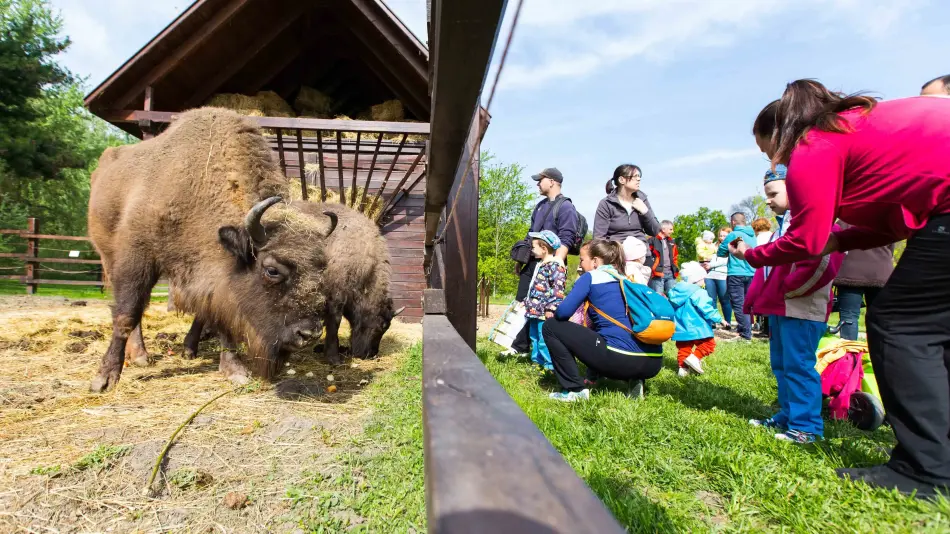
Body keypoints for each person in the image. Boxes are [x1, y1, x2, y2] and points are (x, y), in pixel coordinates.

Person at [734, 80, 950, 497]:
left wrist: (754, 257)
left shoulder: (816, 143)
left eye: (768, 151)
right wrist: (838, 239)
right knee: (937, 329)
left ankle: (926, 470)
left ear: (781, 134)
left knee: (903, 328)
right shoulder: (855, 125)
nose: (777, 162)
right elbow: (897, 223)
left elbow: (808, 242)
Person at [743, 165, 844, 444]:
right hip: (783, 306)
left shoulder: (819, 220)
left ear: (796, 187)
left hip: (801, 306)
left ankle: (807, 427)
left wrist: (790, 291)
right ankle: (789, 415)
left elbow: (824, 262)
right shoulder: (784, 225)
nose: (768, 200)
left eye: (773, 193)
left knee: (799, 365)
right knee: (782, 364)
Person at [543, 239, 664, 402]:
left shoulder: (592, 277)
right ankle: (635, 378)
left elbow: (562, 314)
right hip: (653, 362)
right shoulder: (627, 279)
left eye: (582, 260)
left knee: (551, 326)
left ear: (595, 261)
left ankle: (574, 389)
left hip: (619, 358)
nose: (580, 265)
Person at [508, 168, 577, 356]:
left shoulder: (566, 207)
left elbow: (567, 237)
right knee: (523, 300)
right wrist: (520, 261)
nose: (538, 183)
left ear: (552, 182)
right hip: (531, 262)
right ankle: (520, 346)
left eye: (541, 180)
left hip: (549, 266)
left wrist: (556, 265)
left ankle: (544, 351)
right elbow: (530, 235)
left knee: (544, 307)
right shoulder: (539, 206)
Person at [833, 221, 895, 341]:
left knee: (849, 317)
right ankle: (879, 355)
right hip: (880, 273)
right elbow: (891, 248)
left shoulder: (846, 220)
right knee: (878, 318)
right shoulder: (886, 221)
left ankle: (851, 355)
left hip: (850, 273)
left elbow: (835, 244)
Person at [669, 262, 728, 378]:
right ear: (695, 279)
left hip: (681, 327)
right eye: (702, 278)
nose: (704, 281)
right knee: (709, 344)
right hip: (697, 326)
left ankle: (682, 371)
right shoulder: (699, 292)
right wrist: (720, 319)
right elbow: (707, 309)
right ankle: (694, 358)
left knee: (684, 348)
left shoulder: (675, 291)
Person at [522, 230, 567, 372]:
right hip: (534, 309)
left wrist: (551, 308)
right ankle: (537, 362)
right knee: (534, 336)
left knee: (544, 340)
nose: (532, 249)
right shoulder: (540, 264)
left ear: (544, 248)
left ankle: (549, 366)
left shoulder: (555, 266)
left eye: (534, 247)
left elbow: (558, 289)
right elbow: (534, 286)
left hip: (544, 311)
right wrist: (527, 300)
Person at [593, 164, 661, 250]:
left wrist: (645, 212)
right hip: (617, 256)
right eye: (635, 176)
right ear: (621, 180)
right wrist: (611, 255)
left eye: (639, 176)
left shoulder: (642, 200)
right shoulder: (606, 204)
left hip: (641, 255)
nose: (639, 179)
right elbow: (599, 238)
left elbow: (655, 231)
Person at [717, 213, 757, 340]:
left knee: (738, 303)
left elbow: (721, 251)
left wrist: (729, 250)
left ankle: (746, 334)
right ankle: (743, 328)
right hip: (751, 272)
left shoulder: (734, 235)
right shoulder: (752, 235)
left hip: (736, 273)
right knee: (747, 303)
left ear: (733, 222)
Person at [705, 226, 732, 328]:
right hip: (710, 275)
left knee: (725, 300)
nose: (722, 237)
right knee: (711, 300)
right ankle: (713, 322)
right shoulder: (713, 245)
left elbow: (726, 260)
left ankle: (727, 322)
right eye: (720, 235)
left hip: (722, 275)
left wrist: (711, 264)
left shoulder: (731, 246)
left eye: (724, 235)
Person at [647, 220, 679, 296]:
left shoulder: (672, 241)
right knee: (657, 298)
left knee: (674, 297)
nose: (672, 231)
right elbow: (647, 257)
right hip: (658, 274)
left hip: (671, 274)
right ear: (663, 229)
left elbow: (675, 257)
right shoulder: (652, 240)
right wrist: (652, 269)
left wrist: (675, 268)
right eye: (670, 229)